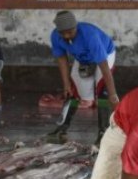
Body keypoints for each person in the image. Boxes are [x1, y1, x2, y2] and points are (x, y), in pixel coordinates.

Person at [48, 10, 119, 145]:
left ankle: (103, 131)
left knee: (102, 91)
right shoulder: (55, 36)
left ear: (76, 27)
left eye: (70, 32)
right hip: (82, 58)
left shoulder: (89, 35)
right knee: (72, 92)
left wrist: (113, 94)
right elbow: (62, 59)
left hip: (105, 56)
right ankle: (62, 128)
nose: (67, 36)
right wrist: (66, 84)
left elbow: (104, 67)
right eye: (63, 33)